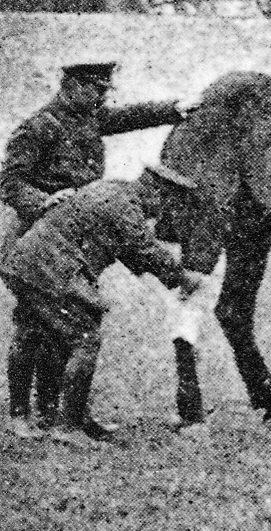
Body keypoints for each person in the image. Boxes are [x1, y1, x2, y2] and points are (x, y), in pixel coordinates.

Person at [2, 61, 189, 439]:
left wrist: (174, 109)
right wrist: (45, 200)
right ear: (72, 86)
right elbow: (9, 182)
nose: (102, 98)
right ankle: (22, 415)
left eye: (106, 92)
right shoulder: (39, 127)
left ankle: (59, 413)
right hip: (33, 233)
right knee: (33, 329)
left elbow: (126, 117)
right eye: (97, 90)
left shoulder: (86, 117)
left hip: (74, 239)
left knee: (62, 328)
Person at [0, 164, 204, 447]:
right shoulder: (124, 205)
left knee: (37, 333)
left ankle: (34, 417)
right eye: (168, 203)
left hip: (29, 264)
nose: (165, 212)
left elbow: (129, 252)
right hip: (49, 269)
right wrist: (183, 277)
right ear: (155, 191)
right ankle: (68, 426)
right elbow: (142, 248)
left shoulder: (113, 190)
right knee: (85, 338)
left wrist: (170, 276)